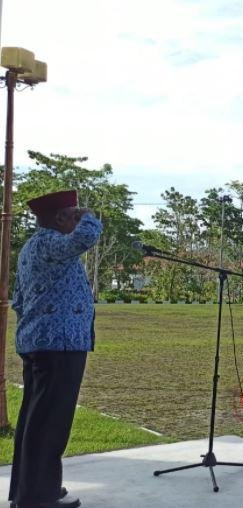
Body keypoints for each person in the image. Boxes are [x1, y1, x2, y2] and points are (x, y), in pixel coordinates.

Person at [9, 190, 102, 508]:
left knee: (35, 421)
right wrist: (88, 217)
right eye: (72, 216)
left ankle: (31, 489)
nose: (76, 222)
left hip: (42, 342)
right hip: (59, 345)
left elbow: (18, 301)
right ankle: (37, 497)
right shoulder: (51, 242)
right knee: (49, 423)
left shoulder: (32, 247)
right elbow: (85, 239)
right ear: (60, 217)